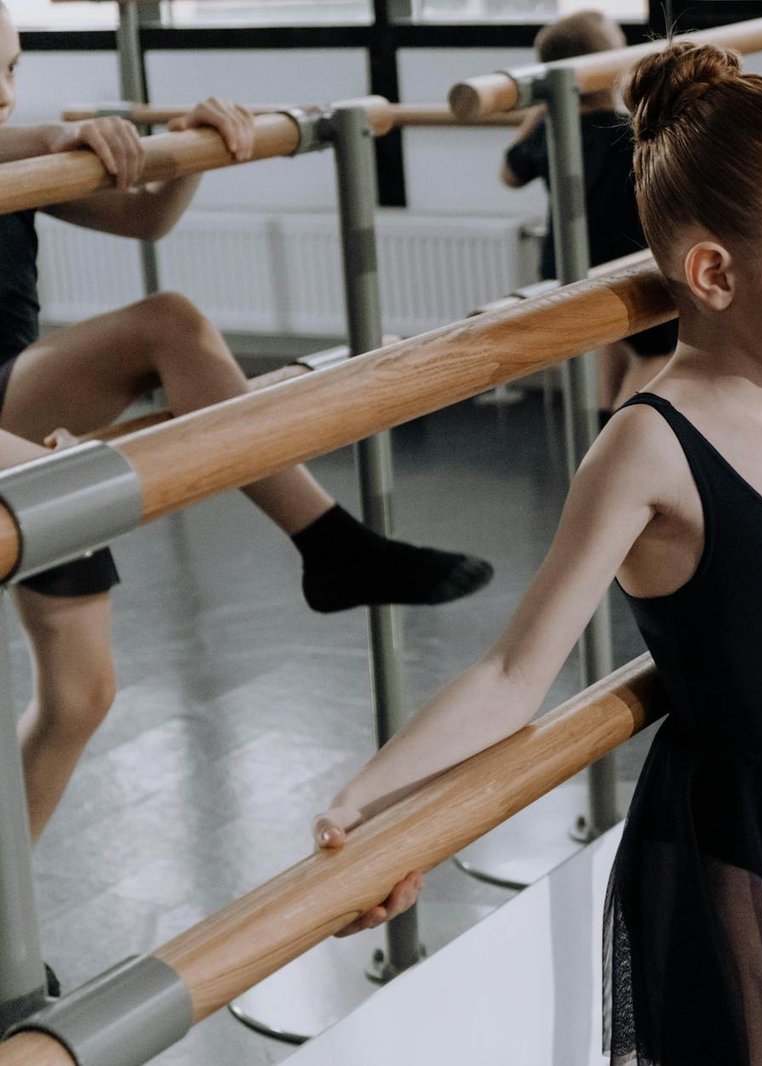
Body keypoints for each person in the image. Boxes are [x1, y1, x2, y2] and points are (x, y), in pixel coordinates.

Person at [316, 42, 762, 1066]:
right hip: (729, 837)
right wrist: (369, 805)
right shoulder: (648, 444)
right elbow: (513, 672)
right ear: (713, 272)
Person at [0, 2, 493, 842]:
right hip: (19, 440)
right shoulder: (25, 143)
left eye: (11, 69)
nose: (4, 94)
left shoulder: (26, 154)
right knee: (73, 554)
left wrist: (190, 150)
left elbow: (145, 216)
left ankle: (329, 546)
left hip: (14, 394)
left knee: (83, 696)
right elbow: (28, 141)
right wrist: (49, 135)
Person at [500, 9, 677, 414]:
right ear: (599, 68)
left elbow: (509, 174)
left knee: (607, 343)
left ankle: (600, 431)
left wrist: (540, 112)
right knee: (659, 350)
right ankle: (623, 430)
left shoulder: (550, 130)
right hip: (623, 260)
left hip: (568, 262)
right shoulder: (627, 133)